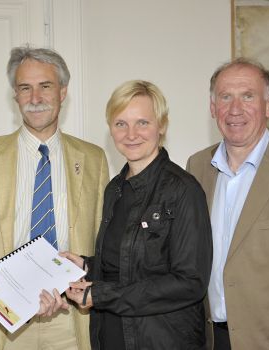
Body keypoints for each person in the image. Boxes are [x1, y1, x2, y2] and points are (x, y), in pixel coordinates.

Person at [0, 46, 109, 350]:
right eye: (25, 88)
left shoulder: (94, 158)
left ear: (63, 91)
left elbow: (102, 241)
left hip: (72, 320)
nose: (35, 98)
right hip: (4, 323)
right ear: (15, 96)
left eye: (45, 86)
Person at [62, 80, 213, 349]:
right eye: (121, 123)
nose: (131, 133)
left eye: (142, 122)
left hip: (162, 340)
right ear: (110, 128)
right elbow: (127, 263)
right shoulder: (114, 189)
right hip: (111, 334)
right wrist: (87, 266)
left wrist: (103, 294)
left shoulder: (184, 190)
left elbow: (190, 282)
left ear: (162, 126)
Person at [186, 57, 269, 350]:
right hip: (211, 340)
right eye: (226, 97)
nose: (235, 109)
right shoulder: (196, 167)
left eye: (248, 96)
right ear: (213, 108)